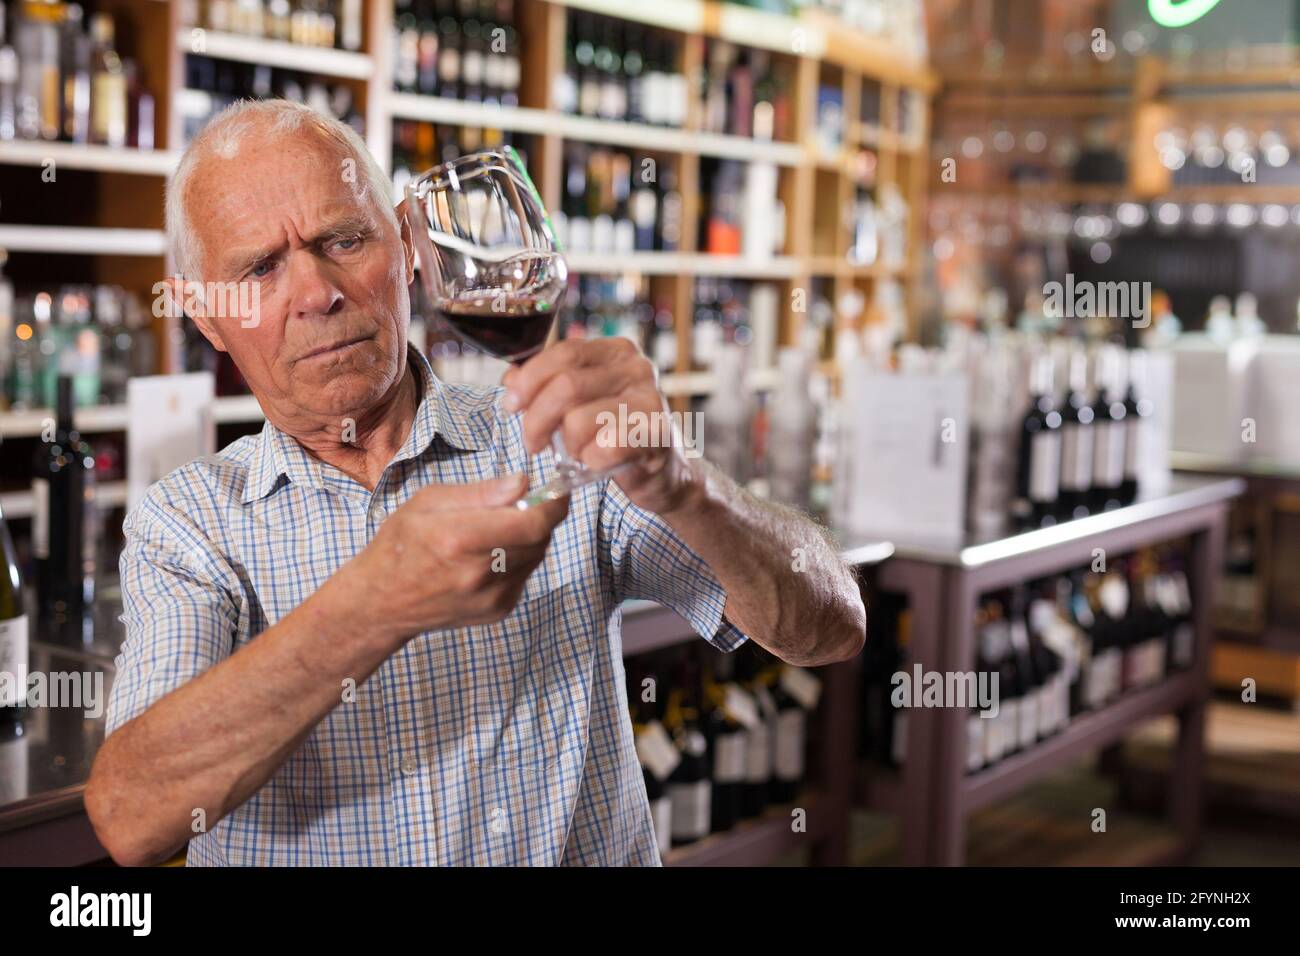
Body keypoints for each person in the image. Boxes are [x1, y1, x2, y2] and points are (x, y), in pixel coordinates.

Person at [84, 100, 865, 866]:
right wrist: (372, 604)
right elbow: (133, 817)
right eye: (260, 268)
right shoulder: (190, 522)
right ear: (205, 315)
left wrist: (690, 490)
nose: (317, 293)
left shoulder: (550, 434)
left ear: (408, 242)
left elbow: (830, 626)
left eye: (345, 239)